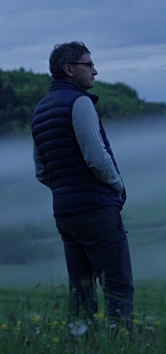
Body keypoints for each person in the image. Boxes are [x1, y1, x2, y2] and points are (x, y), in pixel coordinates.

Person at [31, 42, 134, 331]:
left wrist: (66, 189)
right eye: (88, 65)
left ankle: (78, 346)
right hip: (96, 208)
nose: (95, 71)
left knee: (80, 291)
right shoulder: (80, 103)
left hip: (64, 212)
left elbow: (42, 171)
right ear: (68, 69)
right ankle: (121, 345)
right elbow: (97, 158)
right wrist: (117, 187)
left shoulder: (39, 111)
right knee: (117, 285)